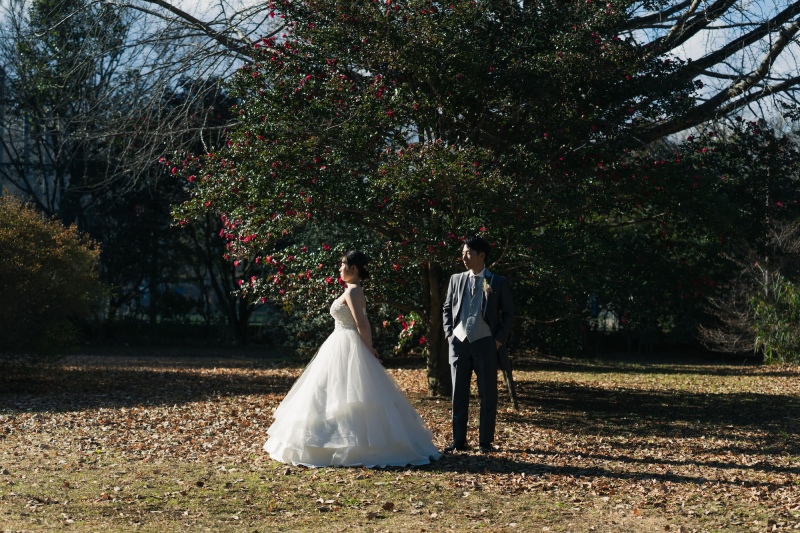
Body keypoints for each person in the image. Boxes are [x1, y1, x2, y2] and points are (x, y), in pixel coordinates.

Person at [264, 250, 441, 468]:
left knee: (348, 396)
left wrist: (369, 350)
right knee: (333, 395)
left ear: (354, 268)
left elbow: (362, 324)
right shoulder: (350, 290)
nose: (340, 269)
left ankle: (353, 448)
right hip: (338, 343)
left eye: (343, 265)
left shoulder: (354, 291)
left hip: (348, 343)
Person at [442, 236, 514, 454]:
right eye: (463, 253)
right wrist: (448, 335)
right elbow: (447, 308)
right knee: (458, 394)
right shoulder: (456, 279)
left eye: (469, 253)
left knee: (488, 394)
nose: (464, 257)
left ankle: (485, 442)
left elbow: (509, 313)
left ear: (482, 256)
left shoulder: (496, 282)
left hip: (485, 343)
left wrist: (498, 340)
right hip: (459, 343)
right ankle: (458, 440)